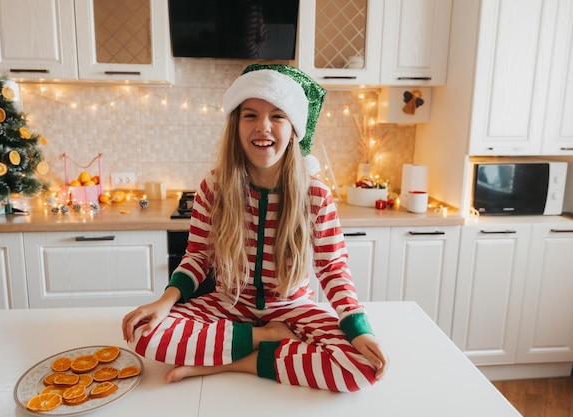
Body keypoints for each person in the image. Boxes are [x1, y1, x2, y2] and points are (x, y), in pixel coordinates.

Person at [122, 64, 389, 392]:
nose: (263, 127)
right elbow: (197, 257)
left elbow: (333, 269)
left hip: (294, 307)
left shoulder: (315, 194)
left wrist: (358, 327)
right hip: (228, 303)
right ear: (235, 126)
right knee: (146, 336)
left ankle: (235, 362)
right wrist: (164, 302)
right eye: (250, 115)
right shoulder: (214, 186)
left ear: (293, 128)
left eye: (277, 116)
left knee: (363, 368)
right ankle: (267, 338)